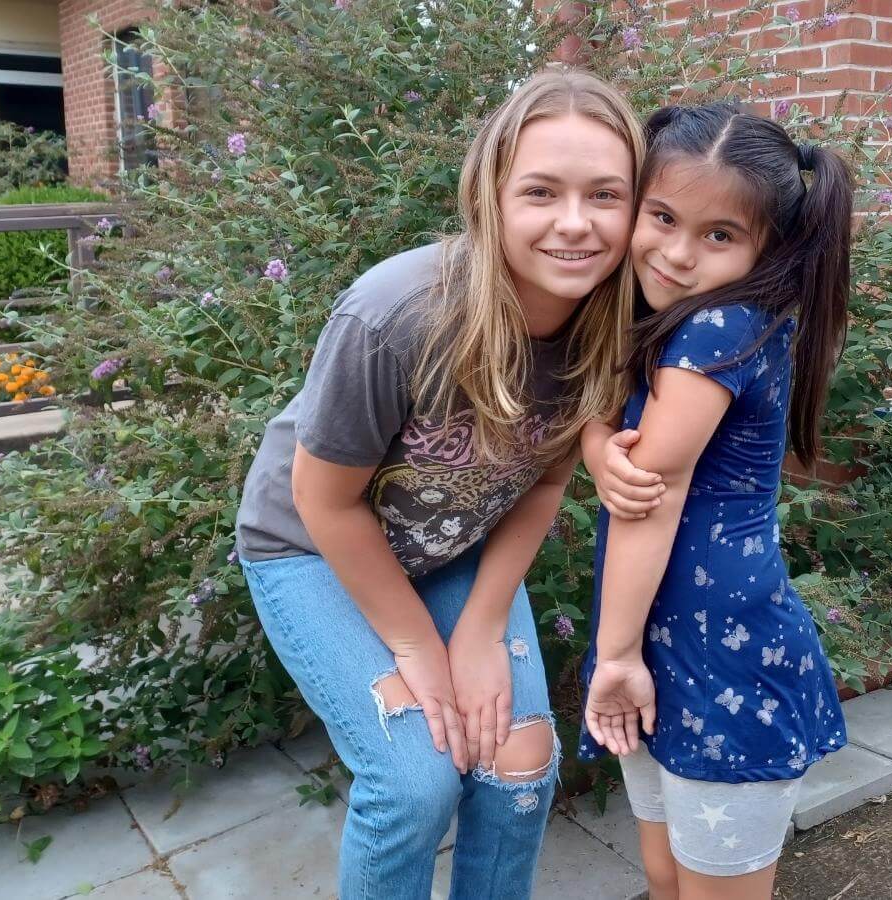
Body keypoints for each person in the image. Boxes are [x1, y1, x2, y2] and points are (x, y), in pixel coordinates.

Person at [234, 70, 645, 900]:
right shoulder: (397, 316)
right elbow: (323, 498)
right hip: (309, 547)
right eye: (540, 192)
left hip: (454, 548)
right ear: (489, 197)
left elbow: (543, 478)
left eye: (606, 194)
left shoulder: (614, 321)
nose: (575, 223)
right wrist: (422, 646)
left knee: (521, 756)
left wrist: (481, 627)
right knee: (415, 782)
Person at [579, 102, 855, 900]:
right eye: (661, 216)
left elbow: (651, 497)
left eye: (718, 235)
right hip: (678, 643)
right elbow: (611, 428)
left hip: (715, 651)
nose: (675, 252)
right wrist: (600, 449)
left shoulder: (713, 332)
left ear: (767, 245)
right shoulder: (680, 319)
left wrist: (616, 655)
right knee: (668, 876)